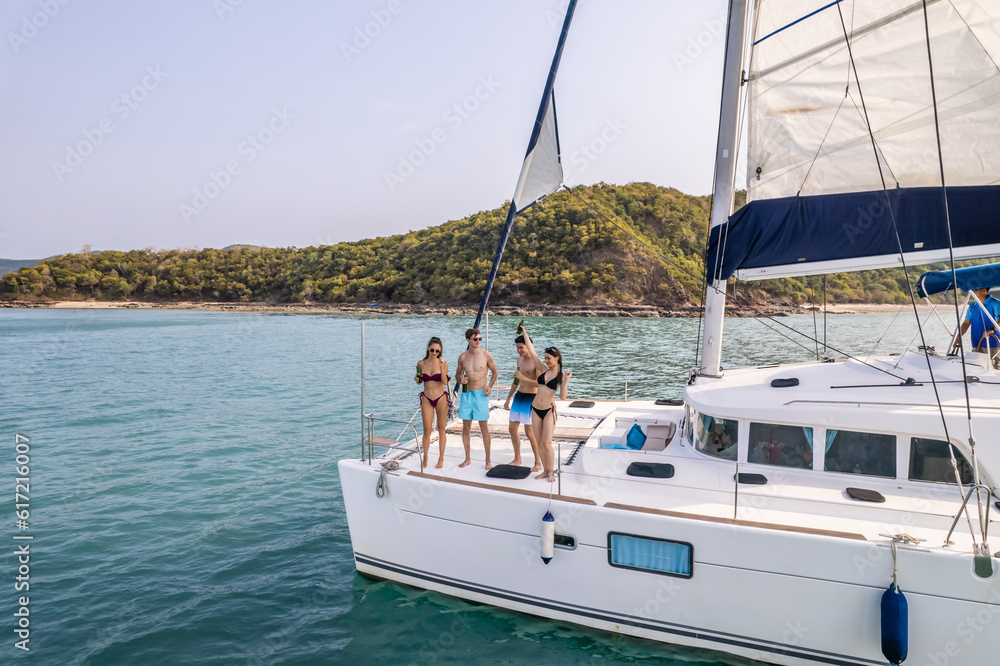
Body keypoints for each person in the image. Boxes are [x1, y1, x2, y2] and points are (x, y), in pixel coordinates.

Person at [518, 326, 571, 482]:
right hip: (535, 409)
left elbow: (562, 397)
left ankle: (552, 471)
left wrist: (566, 381)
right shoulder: (543, 369)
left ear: (557, 359)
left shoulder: (561, 376)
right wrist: (524, 332)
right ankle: (544, 470)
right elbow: (532, 352)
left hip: (548, 410)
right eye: (545, 358)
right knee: (539, 443)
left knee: (547, 443)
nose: (546, 361)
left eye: (549, 358)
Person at [455, 328, 497, 470]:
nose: (478, 341)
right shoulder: (462, 357)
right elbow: (457, 375)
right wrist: (461, 379)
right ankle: (467, 459)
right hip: (467, 394)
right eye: (475, 339)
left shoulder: (486, 355)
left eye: (479, 339)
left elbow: (495, 372)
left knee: (484, 428)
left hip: (481, 395)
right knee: (466, 428)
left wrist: (490, 386)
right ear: (468, 340)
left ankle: (488, 461)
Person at [503, 335, 541, 472]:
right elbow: (516, 381)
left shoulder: (536, 362)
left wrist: (522, 377)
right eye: (517, 348)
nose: (519, 350)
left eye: (521, 347)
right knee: (512, 428)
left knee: (529, 432)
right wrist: (508, 398)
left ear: (528, 345)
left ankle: (538, 462)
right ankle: (517, 458)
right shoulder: (519, 359)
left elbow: (539, 383)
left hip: (531, 397)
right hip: (519, 396)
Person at [415, 337, 449, 469]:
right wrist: (416, 380)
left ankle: (441, 458)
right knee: (426, 430)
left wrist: (441, 368)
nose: (434, 353)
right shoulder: (420, 363)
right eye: (432, 350)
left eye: (437, 351)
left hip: (441, 397)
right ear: (428, 348)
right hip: (426, 398)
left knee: (441, 429)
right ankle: (426, 456)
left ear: (440, 351)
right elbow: (419, 382)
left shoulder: (444, 364)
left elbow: (445, 382)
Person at [951, 287, 1000, 367]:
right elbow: (966, 323)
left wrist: (992, 329)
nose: (972, 292)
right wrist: (958, 337)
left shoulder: (995, 303)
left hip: (993, 344)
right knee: (977, 369)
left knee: (995, 369)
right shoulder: (972, 306)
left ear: (984, 290)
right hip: (976, 344)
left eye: (974, 290)